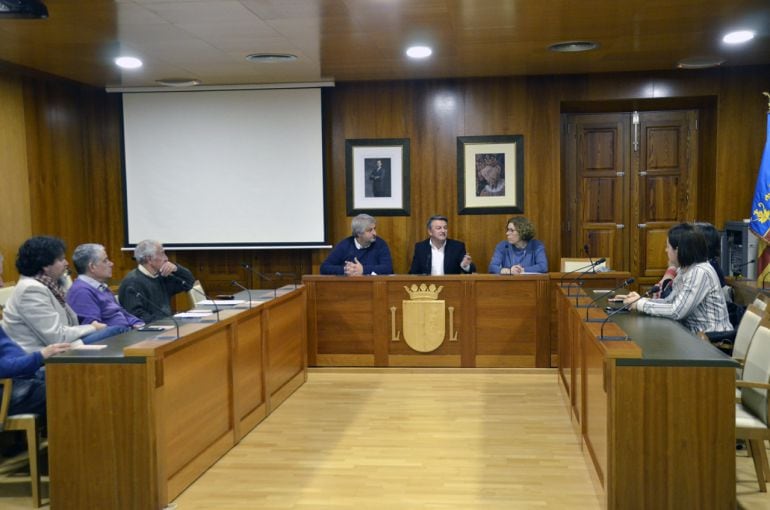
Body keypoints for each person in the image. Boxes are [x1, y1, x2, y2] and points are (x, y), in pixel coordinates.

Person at [1, 237, 121, 353]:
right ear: (45, 264)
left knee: (115, 330)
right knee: (117, 330)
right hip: (41, 360)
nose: (66, 263)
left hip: (62, 348)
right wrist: (92, 327)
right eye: (61, 259)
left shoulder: (47, 285)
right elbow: (56, 336)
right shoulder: (31, 290)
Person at [619, 223, 732, 334]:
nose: (666, 250)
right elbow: (671, 302)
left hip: (712, 339)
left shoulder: (700, 271)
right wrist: (641, 300)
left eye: (668, 246)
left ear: (678, 250)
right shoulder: (685, 270)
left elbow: (677, 311)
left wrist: (640, 304)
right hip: (693, 336)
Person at [67, 243, 144, 329]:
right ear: (92, 267)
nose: (111, 264)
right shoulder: (81, 292)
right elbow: (94, 328)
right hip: (115, 339)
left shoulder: (101, 287)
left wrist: (141, 325)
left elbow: (122, 313)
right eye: (105, 261)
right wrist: (125, 331)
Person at [118, 240, 196, 323]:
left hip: (167, 326)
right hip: (149, 331)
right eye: (162, 254)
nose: (166, 258)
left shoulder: (161, 276)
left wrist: (176, 269)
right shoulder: (132, 282)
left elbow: (189, 282)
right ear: (149, 259)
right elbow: (137, 316)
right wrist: (168, 322)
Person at [320, 214, 393, 276]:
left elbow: (388, 268)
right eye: (370, 230)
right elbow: (324, 268)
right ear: (359, 233)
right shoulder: (345, 245)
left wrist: (363, 270)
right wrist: (345, 270)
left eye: (374, 229)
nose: (375, 233)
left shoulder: (380, 244)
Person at [409, 215, 475, 275]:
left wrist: (465, 266)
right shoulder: (421, 247)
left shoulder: (457, 247)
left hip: (450, 286)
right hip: (428, 286)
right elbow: (414, 272)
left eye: (445, 228)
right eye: (439, 228)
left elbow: (471, 271)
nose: (443, 231)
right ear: (430, 231)